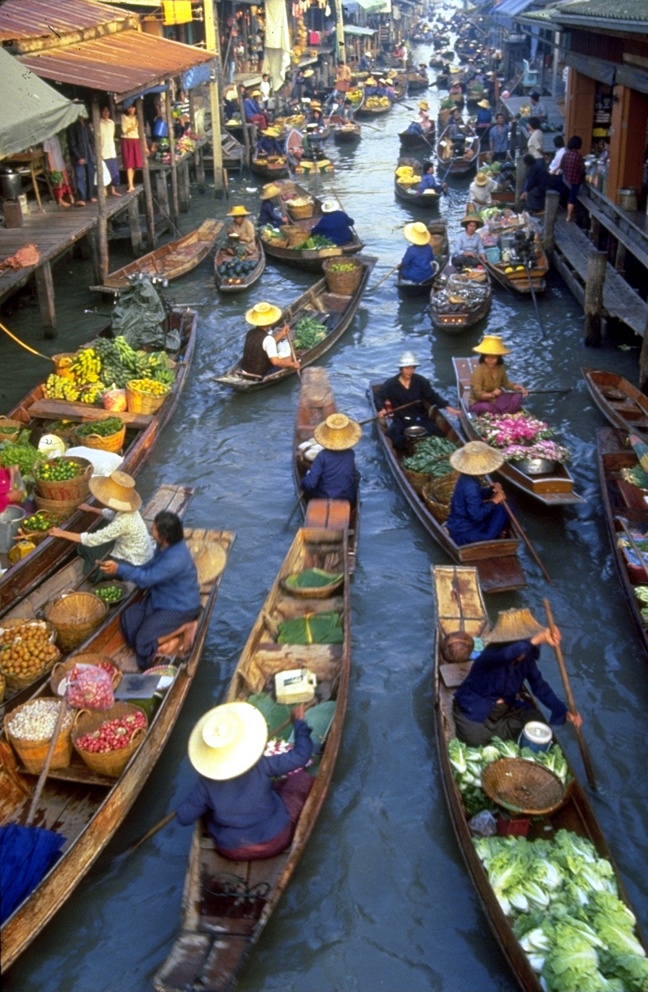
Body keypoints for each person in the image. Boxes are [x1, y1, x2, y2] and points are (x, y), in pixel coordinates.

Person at [176, 701, 314, 860]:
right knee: (301, 779)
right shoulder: (260, 764)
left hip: (231, 850)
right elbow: (301, 756)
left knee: (206, 808)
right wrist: (299, 724)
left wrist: (185, 807)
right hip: (276, 840)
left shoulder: (206, 783)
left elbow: (184, 817)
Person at [452, 607, 583, 747]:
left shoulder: (527, 660)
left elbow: (540, 687)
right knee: (474, 739)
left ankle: (504, 736)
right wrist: (538, 639)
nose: (523, 653)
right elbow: (508, 654)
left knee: (536, 720)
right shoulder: (491, 655)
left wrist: (564, 711)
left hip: (503, 711)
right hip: (475, 712)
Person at [99, 510, 201, 671]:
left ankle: (186, 627)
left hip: (179, 607)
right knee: (128, 619)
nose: (151, 531)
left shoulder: (175, 560)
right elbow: (150, 567)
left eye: (154, 529)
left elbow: (146, 579)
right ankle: (164, 640)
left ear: (164, 536)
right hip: (161, 597)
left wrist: (119, 569)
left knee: (142, 642)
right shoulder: (165, 546)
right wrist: (128, 569)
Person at [49, 470, 153, 575]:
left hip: (135, 561)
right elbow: (111, 514)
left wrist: (61, 533)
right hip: (139, 549)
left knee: (91, 571)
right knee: (90, 542)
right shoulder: (128, 509)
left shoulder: (123, 521)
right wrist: (91, 509)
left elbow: (92, 539)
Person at [377, 351, 460, 451]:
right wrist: (381, 409)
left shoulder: (421, 381)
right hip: (400, 418)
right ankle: (408, 449)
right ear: (401, 369)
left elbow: (432, 396)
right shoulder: (391, 384)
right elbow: (378, 396)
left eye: (412, 368)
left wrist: (447, 407)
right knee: (394, 437)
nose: (409, 371)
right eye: (406, 368)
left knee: (438, 434)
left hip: (419, 416)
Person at [446, 440, 508, 547]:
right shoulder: (471, 486)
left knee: (501, 509)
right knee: (501, 510)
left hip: (464, 522)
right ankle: (495, 535)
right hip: (463, 530)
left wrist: (490, 489)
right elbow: (477, 515)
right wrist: (494, 501)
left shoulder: (467, 478)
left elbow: (475, 497)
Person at [301, 413, 361, 505]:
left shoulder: (322, 456)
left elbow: (310, 484)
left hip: (322, 497)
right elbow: (354, 476)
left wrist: (302, 483)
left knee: (309, 481)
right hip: (347, 498)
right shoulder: (350, 454)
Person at [468, 334, 528, 414]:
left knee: (517, 396)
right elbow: (478, 395)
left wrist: (518, 387)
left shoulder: (500, 368)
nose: (490, 361)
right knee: (487, 408)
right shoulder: (478, 372)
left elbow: (505, 383)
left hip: (497, 399)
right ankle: (503, 413)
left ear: (498, 358)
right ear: (483, 357)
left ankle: (502, 413)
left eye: (493, 358)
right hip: (480, 402)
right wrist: (492, 394)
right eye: (487, 357)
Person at [241, 302, 300, 378]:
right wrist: (293, 364)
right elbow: (275, 362)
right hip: (260, 374)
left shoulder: (250, 333)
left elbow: (266, 344)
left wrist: (282, 333)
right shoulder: (268, 339)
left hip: (244, 370)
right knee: (287, 357)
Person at [66, 115, 96, 207]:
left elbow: (91, 139)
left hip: (89, 154)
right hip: (79, 155)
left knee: (90, 174)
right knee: (80, 176)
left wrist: (93, 150)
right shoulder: (72, 126)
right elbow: (72, 143)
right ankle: (81, 198)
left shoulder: (86, 125)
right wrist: (79, 157)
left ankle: (90, 195)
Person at [120, 102, 145, 193]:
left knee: (134, 165)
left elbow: (141, 132)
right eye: (129, 108)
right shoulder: (124, 117)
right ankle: (130, 185)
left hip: (135, 140)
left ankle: (131, 183)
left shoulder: (137, 117)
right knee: (129, 164)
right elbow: (124, 130)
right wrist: (134, 126)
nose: (131, 109)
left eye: (133, 107)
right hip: (127, 140)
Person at [562, 135, 586, 222]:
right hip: (575, 180)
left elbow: (562, 166)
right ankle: (569, 216)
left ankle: (568, 214)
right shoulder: (579, 156)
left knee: (569, 196)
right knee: (572, 198)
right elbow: (582, 169)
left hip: (567, 178)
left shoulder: (566, 155)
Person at [99, 106, 122, 197]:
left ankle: (113, 189)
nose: (106, 113)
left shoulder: (112, 123)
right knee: (104, 172)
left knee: (115, 172)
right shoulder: (98, 124)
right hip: (103, 151)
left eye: (107, 111)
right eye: (104, 111)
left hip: (111, 150)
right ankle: (104, 190)